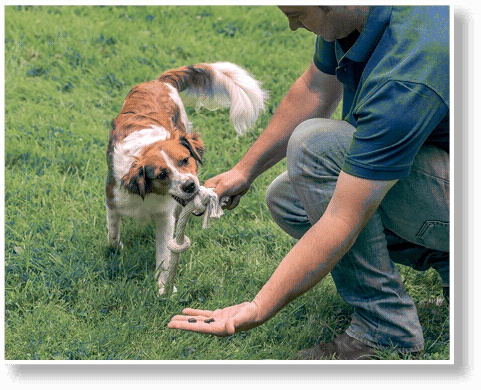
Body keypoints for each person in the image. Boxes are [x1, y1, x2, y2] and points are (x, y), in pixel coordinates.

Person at [168, 6, 450, 360]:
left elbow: (341, 219)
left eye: (298, 14)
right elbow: (315, 87)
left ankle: (385, 328)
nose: (292, 26)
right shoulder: (354, 21)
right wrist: (245, 170)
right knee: (289, 199)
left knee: (316, 149)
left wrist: (258, 307)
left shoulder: (409, 67)